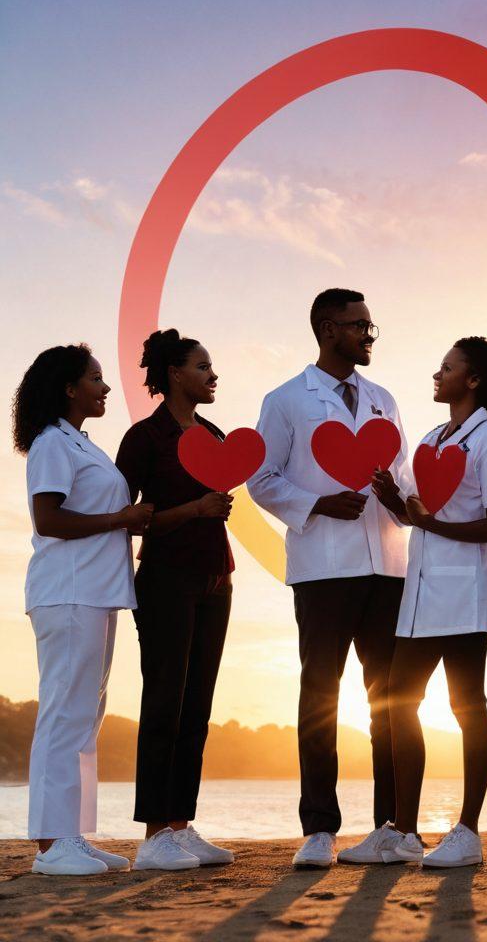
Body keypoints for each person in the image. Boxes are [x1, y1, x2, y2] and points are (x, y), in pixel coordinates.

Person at [344, 337, 487, 867]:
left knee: (468, 705)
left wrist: (427, 522)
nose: (437, 374)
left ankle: (468, 831)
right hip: (421, 592)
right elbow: (418, 514)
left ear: (473, 380)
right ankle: (403, 832)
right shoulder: (429, 439)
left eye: (447, 368)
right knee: (398, 699)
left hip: (466, 588)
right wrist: (392, 500)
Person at [249, 289, 412, 868]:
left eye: (371, 326)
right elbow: (261, 478)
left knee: (390, 700)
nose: (369, 335)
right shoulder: (286, 400)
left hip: (387, 567)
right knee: (321, 693)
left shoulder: (383, 400)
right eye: (359, 325)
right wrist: (317, 504)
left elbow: (404, 476)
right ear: (327, 328)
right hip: (323, 570)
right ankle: (319, 829)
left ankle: (390, 825)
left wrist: (401, 497)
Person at [14, 344, 152, 875]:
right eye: (95, 379)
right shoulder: (52, 443)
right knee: (64, 713)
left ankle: (73, 834)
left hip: (95, 592)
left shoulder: (80, 443)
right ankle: (51, 845)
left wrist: (123, 519)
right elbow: (48, 520)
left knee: (86, 715)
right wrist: (121, 519)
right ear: (69, 389)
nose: (106, 387)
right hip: (67, 592)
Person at [115, 330, 236, 871]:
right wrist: (195, 510)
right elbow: (126, 519)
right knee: (164, 701)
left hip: (217, 579)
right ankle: (153, 834)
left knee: (198, 707)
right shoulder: (144, 438)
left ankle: (182, 826)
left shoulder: (214, 434)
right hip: (166, 580)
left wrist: (214, 511)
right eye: (202, 366)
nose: (212, 375)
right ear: (174, 374)